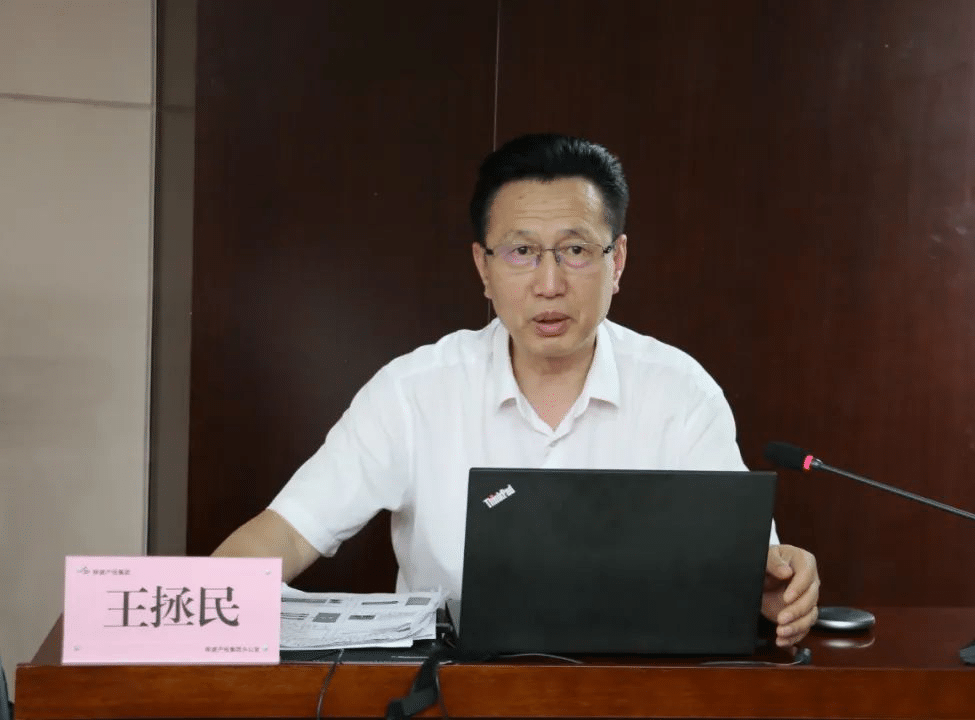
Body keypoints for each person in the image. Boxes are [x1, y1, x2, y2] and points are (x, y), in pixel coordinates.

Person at [213, 133, 820, 647]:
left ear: (617, 261)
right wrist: (210, 603)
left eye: (575, 250)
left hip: (630, 696)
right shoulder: (413, 391)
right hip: (452, 698)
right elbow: (286, 532)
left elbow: (747, 571)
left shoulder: (680, 393)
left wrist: (777, 589)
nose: (549, 283)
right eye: (522, 251)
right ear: (484, 267)